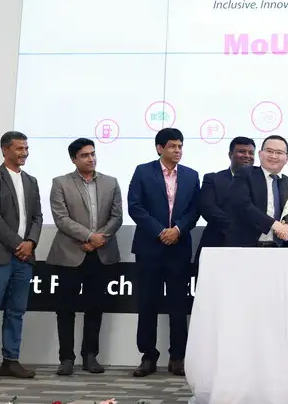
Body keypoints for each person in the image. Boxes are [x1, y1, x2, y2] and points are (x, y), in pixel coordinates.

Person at [128, 127, 201, 377]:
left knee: (178, 305)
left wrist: (177, 230)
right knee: (147, 302)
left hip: (179, 247)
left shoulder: (191, 175)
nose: (178, 150)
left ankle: (177, 357)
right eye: (172, 146)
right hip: (150, 247)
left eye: (180, 146)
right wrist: (161, 231)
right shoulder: (143, 171)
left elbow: (194, 210)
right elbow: (135, 207)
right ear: (160, 148)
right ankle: (148, 356)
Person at [46, 138, 123, 376]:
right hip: (70, 253)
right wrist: (90, 236)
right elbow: (61, 219)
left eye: (93, 154)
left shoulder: (111, 182)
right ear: (74, 159)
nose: (91, 159)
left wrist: (100, 238)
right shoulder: (60, 183)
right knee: (65, 308)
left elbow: (117, 217)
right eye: (85, 155)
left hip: (101, 254)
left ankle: (90, 356)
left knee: (95, 307)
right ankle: (66, 358)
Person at [0, 131, 42, 383]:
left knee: (16, 311)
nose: (24, 153)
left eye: (26, 148)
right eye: (19, 148)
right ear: (5, 150)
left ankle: (10, 361)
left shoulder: (31, 181)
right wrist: (19, 244)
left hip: (24, 258)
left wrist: (31, 243)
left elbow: (37, 217)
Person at [194, 137, 255, 267]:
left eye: (251, 153)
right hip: (218, 243)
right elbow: (208, 208)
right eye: (242, 151)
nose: (247, 156)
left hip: (252, 247)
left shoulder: (261, 182)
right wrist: (237, 227)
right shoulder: (213, 179)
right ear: (230, 154)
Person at [227, 135, 288, 247]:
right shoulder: (245, 173)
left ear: (287, 158)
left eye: (279, 152)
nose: (273, 156)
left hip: (282, 247)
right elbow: (242, 204)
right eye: (269, 151)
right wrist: (273, 224)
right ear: (260, 154)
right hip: (248, 246)